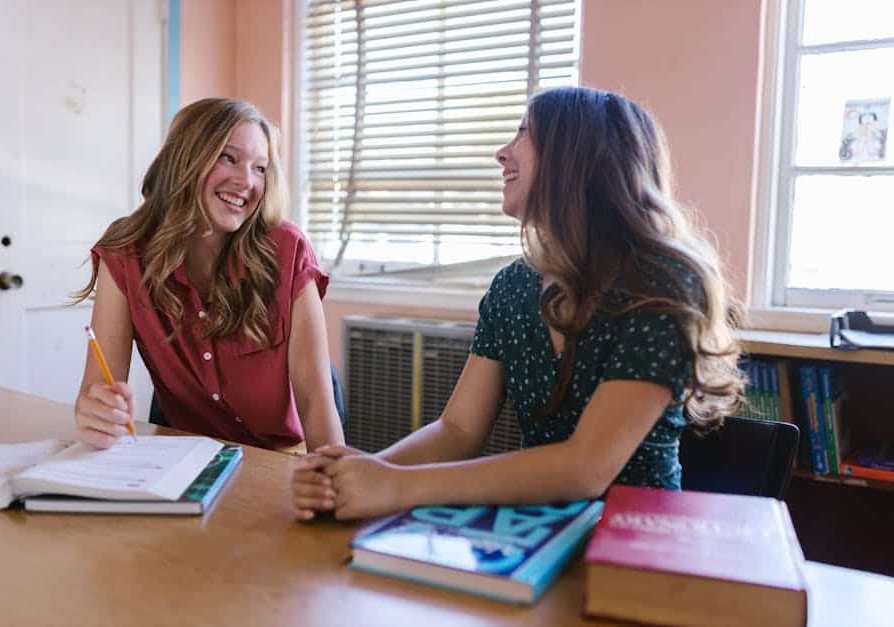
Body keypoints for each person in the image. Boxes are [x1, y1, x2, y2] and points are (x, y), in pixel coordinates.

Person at [291, 86, 744, 520]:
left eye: (524, 132)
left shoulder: (663, 285)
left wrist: (396, 486)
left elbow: (586, 466)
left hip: (636, 541)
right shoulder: (512, 286)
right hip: (534, 531)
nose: (501, 152)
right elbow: (458, 430)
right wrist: (361, 474)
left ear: (575, 157)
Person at [73, 97, 344, 453]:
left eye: (260, 168)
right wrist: (97, 415)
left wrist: (332, 477)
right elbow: (97, 391)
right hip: (187, 453)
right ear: (184, 160)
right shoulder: (126, 252)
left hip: (281, 454)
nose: (247, 182)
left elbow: (315, 403)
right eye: (228, 158)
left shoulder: (287, 248)